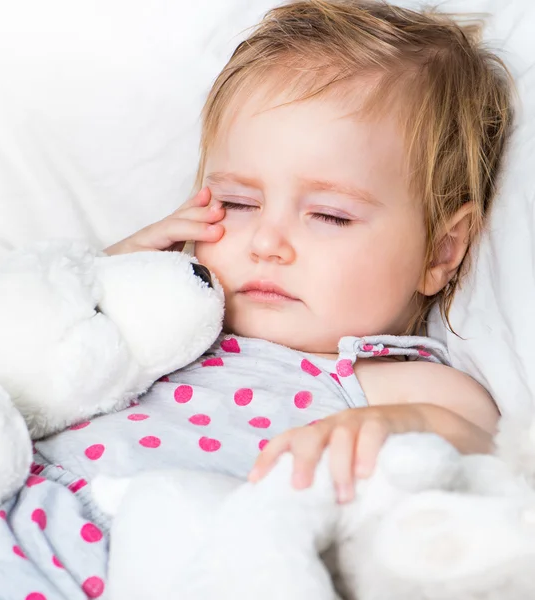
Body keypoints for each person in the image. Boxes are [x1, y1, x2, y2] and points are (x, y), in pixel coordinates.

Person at [105, 0, 514, 503]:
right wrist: (110, 278)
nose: (265, 243)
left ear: (441, 251)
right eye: (237, 203)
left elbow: (491, 452)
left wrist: (395, 425)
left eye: (329, 215)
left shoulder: (407, 387)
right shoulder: (167, 322)